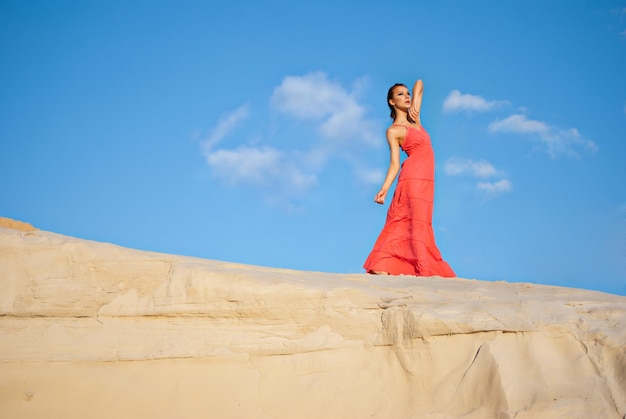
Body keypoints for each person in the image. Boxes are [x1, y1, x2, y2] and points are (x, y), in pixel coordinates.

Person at [363, 79, 455, 277]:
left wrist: (413, 105)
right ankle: (383, 264)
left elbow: (420, 84)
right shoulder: (393, 131)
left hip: (427, 181)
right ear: (391, 102)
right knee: (408, 218)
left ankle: (411, 267)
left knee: (421, 221)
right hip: (412, 178)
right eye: (400, 94)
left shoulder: (416, 120)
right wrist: (384, 189)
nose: (406, 96)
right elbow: (395, 164)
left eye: (407, 94)